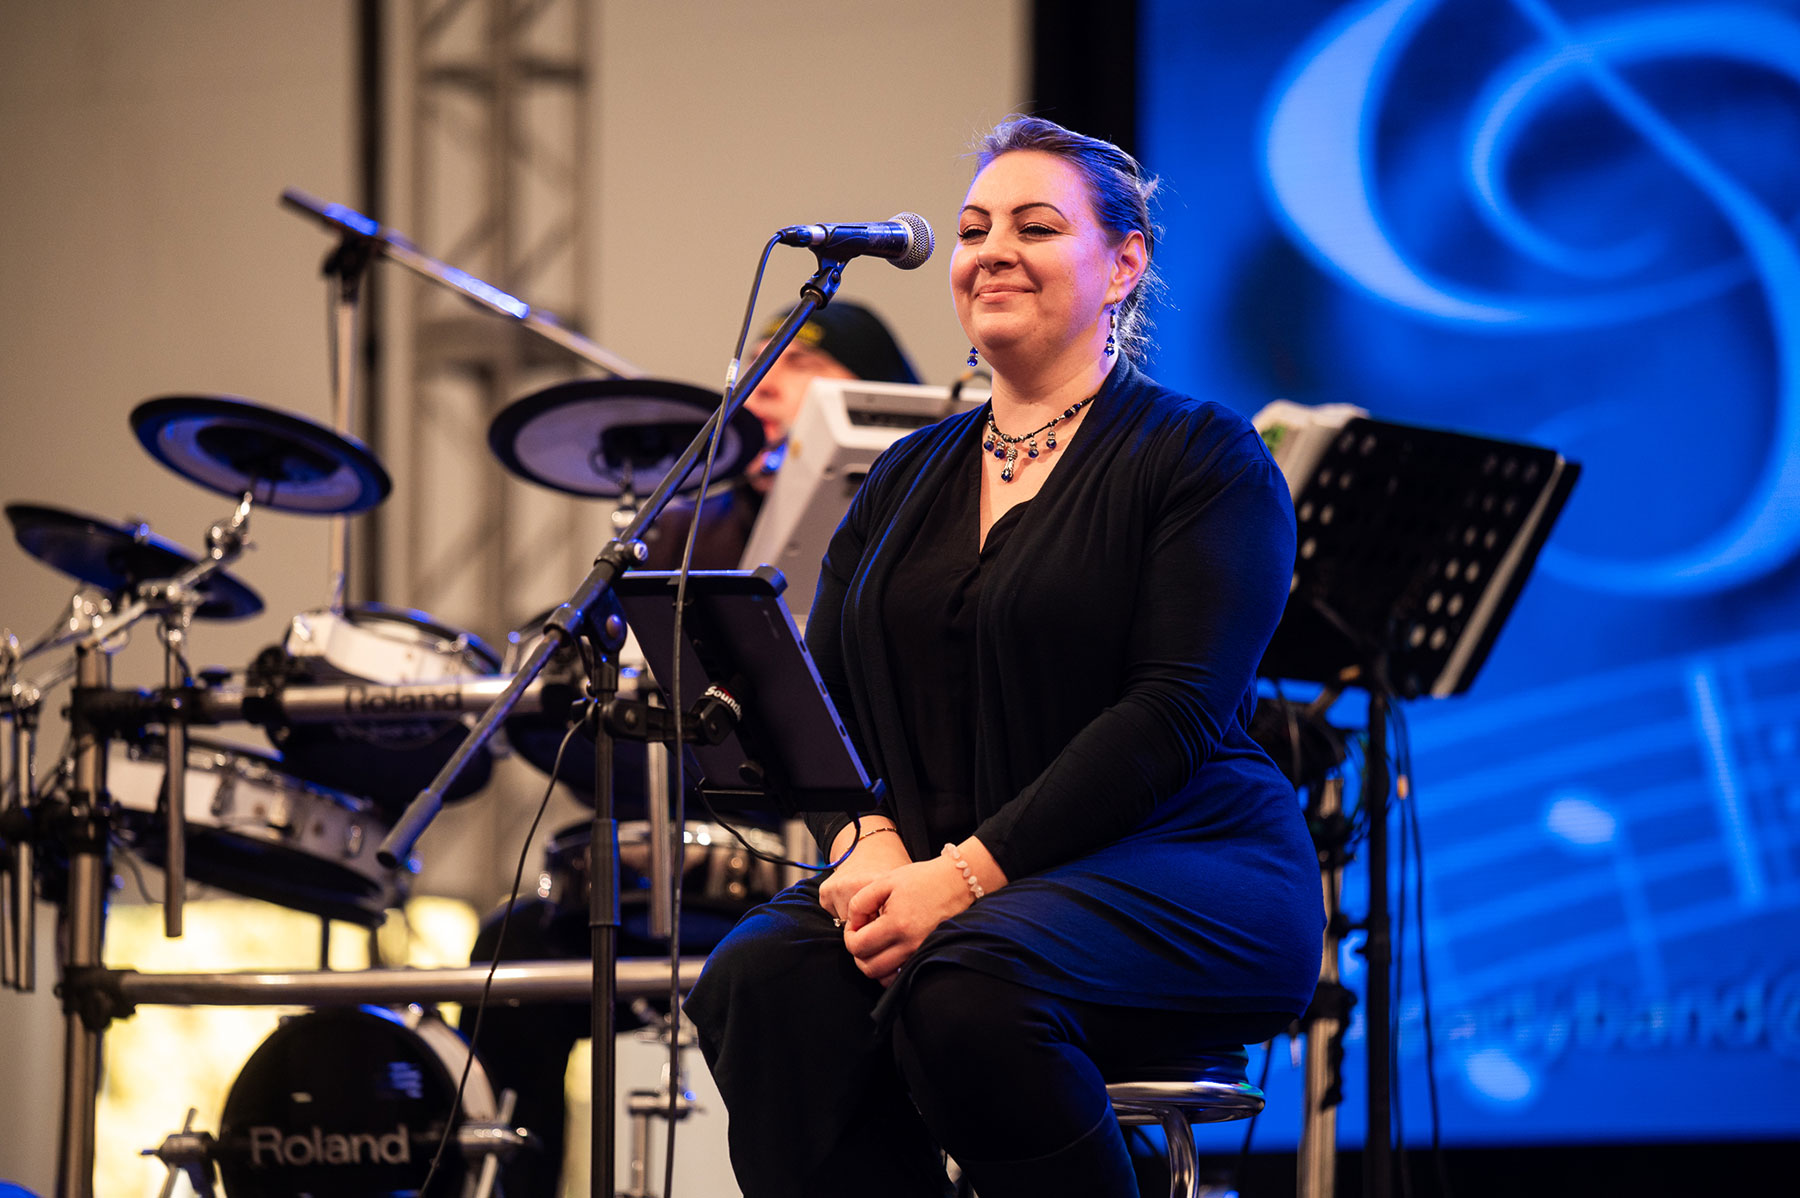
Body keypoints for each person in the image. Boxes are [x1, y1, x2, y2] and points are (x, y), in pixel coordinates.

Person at [683, 116, 1325, 1198]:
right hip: (937, 874)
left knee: (966, 984)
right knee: (761, 976)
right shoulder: (904, 476)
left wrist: (965, 876)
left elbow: (1170, 714)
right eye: (975, 229)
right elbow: (823, 702)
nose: (993, 252)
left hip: (1182, 866)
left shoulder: (1202, 457)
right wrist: (866, 843)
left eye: (1036, 227)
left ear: (1124, 264)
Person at [464, 300, 918, 1198]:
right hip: (709, 863)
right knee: (508, 953)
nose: (767, 388)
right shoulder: (689, 527)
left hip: (863, 856)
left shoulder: (920, 510)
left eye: (798, 366)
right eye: (759, 368)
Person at [640, 300, 920, 570]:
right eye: (757, 364)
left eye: (800, 364)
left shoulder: (926, 529)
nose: (761, 384)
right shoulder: (677, 540)